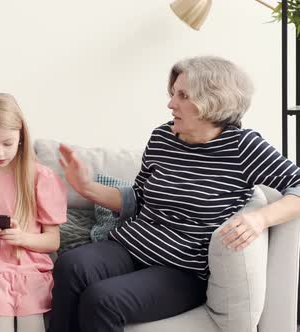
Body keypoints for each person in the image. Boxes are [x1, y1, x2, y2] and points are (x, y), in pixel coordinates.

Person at [50, 55, 300, 332]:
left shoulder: (243, 148)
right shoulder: (162, 138)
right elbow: (138, 198)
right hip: (131, 245)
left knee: (102, 300)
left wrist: (260, 219)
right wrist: (85, 187)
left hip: (182, 270)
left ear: (212, 101)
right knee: (70, 264)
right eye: (173, 94)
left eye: (182, 96)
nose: (171, 104)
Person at [0, 93, 67, 332]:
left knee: (32, 320)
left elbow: (53, 240)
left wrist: (22, 238)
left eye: (7, 143)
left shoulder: (39, 177)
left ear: (21, 136)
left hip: (29, 268)